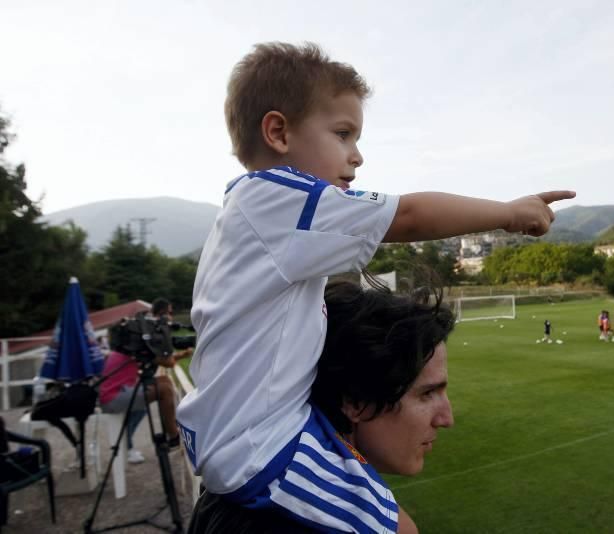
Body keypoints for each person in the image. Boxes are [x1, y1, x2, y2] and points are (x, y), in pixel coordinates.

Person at [175, 42, 575, 532]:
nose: (357, 156)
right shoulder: (276, 200)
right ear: (277, 132)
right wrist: (510, 213)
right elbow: (407, 215)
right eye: (343, 134)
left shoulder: (252, 220)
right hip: (259, 449)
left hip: (243, 434)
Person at [187, 281, 455, 533]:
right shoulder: (333, 522)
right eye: (427, 393)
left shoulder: (231, 491)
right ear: (355, 401)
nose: (446, 418)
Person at [99, 298, 192, 463]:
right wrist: (173, 349)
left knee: (162, 382)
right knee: (164, 388)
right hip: (113, 397)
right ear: (163, 313)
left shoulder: (136, 339)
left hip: (115, 392)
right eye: (170, 313)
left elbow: (159, 360)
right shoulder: (143, 339)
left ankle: (134, 442)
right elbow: (167, 361)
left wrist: (180, 354)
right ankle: (174, 436)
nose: (170, 317)